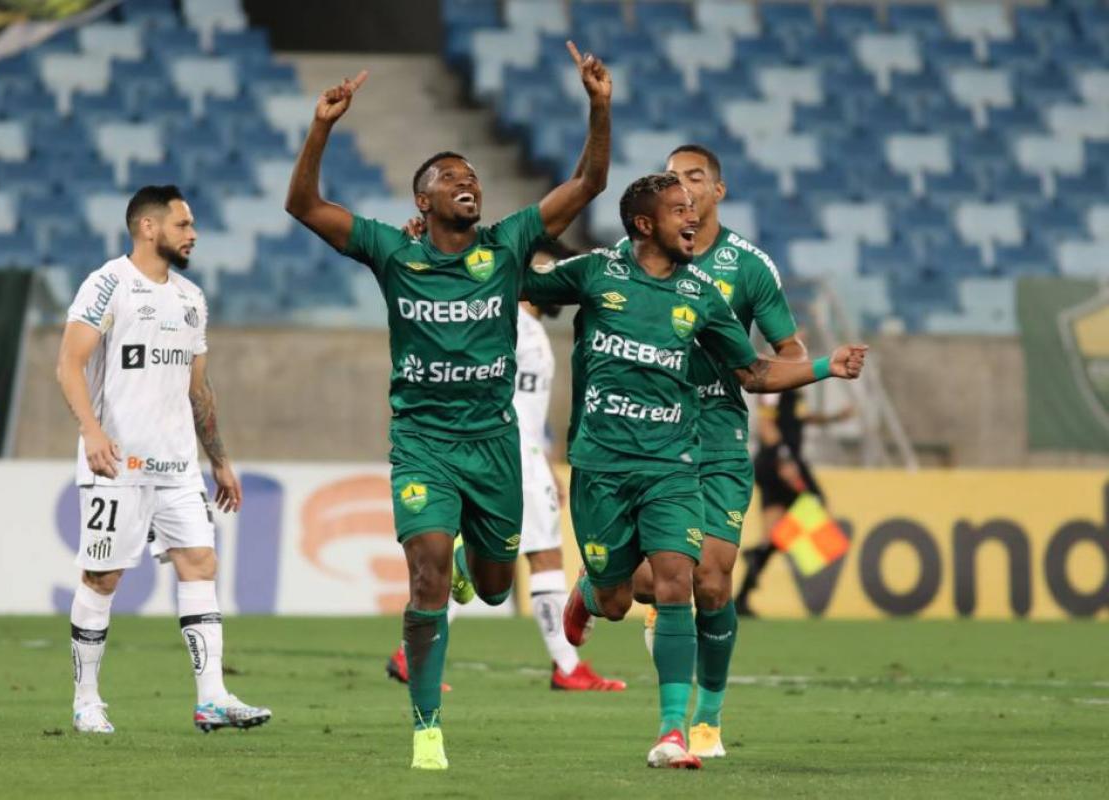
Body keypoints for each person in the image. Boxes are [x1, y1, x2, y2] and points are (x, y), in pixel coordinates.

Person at [284, 41, 612, 770]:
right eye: (450, 178)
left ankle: (473, 560)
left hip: (494, 446)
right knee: (426, 574)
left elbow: (589, 181)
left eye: (472, 177)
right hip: (422, 444)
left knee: (493, 589)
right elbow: (302, 206)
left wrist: (598, 106)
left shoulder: (509, 245)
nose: (468, 183)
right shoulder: (393, 252)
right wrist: (321, 127)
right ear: (422, 202)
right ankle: (426, 727)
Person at [522, 173, 866, 769]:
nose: (691, 217)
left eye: (693, 205)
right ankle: (592, 591)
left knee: (683, 580)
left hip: (675, 461)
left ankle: (676, 731)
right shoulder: (598, 272)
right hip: (602, 464)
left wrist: (823, 366)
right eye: (677, 209)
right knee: (616, 598)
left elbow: (753, 372)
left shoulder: (703, 293)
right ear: (644, 224)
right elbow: (514, 277)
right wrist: (438, 250)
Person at [55, 185, 270, 735]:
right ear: (149, 228)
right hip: (117, 463)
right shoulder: (108, 284)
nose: (193, 234)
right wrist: (92, 432)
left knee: (201, 563)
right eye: (183, 224)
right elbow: (68, 364)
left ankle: (212, 698)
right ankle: (85, 700)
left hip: (176, 465)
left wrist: (218, 459)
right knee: (103, 576)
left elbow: (198, 390)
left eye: (192, 224)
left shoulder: (191, 299)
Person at [625, 144, 806, 759]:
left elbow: (791, 352)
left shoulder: (748, 266)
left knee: (713, 581)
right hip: (649, 435)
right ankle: (613, 592)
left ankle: (707, 718)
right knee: (640, 583)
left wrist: (769, 388)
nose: (682, 186)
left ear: (718, 192)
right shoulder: (637, 254)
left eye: (695, 177)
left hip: (720, 436)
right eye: (672, 177)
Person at [385, 246, 626, 693]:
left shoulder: (525, 327)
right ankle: (566, 666)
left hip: (524, 453)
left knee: (508, 558)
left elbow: (526, 406)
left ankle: (411, 652)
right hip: (509, 452)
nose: (555, 276)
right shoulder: (509, 323)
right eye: (547, 267)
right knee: (542, 555)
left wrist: (545, 463)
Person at [736, 387, 855, 616]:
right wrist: (785, 459)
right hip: (779, 463)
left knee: (771, 534)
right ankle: (759, 553)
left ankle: (743, 594)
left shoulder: (795, 387)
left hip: (779, 463)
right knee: (815, 501)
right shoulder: (774, 384)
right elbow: (765, 423)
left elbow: (799, 417)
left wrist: (834, 418)